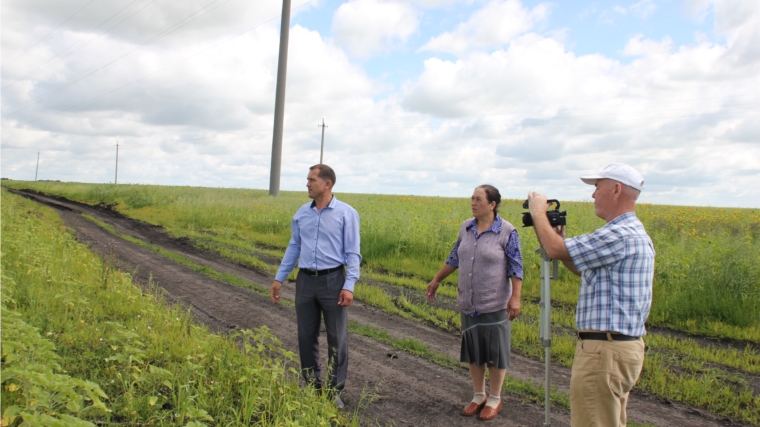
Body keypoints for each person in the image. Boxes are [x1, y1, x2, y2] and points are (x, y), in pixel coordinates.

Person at [526, 163, 655, 427]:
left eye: (597, 188)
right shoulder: (630, 232)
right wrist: (559, 239)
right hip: (618, 349)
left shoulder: (619, 234)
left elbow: (553, 249)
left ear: (616, 189)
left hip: (605, 352)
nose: (593, 195)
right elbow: (575, 262)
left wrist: (538, 212)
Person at [426, 185, 523, 421]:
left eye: (478, 199)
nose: (473, 202)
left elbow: (515, 266)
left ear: (492, 204)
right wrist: (437, 279)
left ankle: (495, 398)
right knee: (474, 351)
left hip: (494, 303)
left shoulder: (507, 231)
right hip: (469, 302)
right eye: (472, 198)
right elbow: (454, 256)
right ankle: (478, 395)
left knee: (496, 352)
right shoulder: (466, 227)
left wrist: (516, 297)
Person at [269, 164, 361, 409]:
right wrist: (279, 278)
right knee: (305, 336)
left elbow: (353, 253)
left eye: (311, 180)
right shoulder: (301, 214)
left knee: (337, 338)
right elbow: (294, 247)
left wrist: (349, 284)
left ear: (327, 184)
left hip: (334, 281)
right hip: (305, 280)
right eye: (307, 179)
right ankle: (311, 386)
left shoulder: (346, 213)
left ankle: (333, 392)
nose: (307, 184)